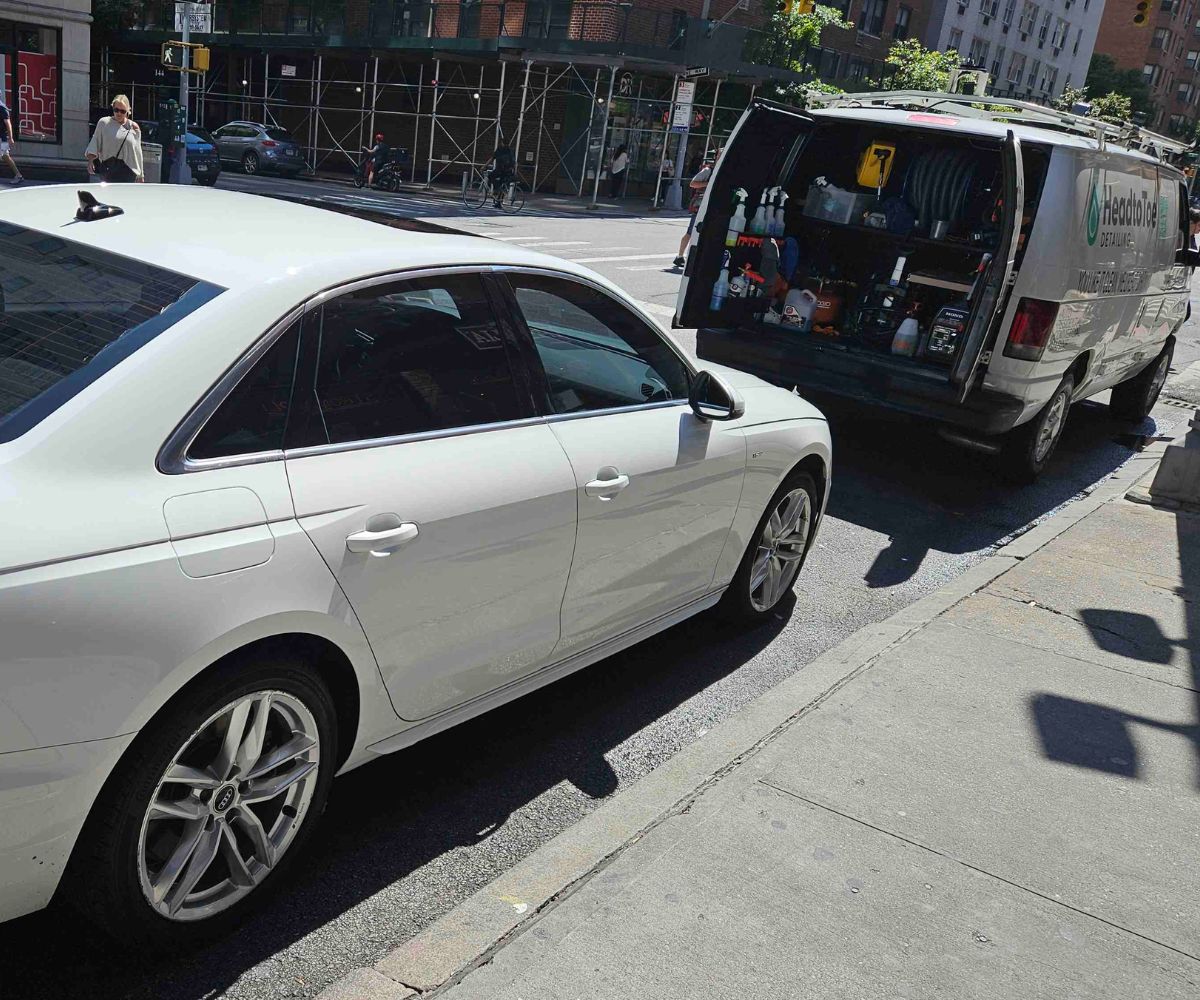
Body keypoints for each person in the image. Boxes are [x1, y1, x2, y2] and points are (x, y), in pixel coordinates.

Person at [673, 147, 720, 268]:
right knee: (692, 232)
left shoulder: (722, 171)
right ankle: (680, 256)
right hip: (700, 206)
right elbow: (693, 183)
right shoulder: (708, 170)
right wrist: (709, 183)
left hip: (712, 207)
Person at [86, 95, 143, 183]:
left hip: (129, 172)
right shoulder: (104, 123)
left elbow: (138, 151)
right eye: (116, 110)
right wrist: (90, 161)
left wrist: (141, 175)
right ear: (113, 108)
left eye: (123, 111)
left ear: (128, 111)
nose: (119, 113)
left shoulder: (133, 127)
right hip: (109, 170)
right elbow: (95, 141)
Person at [0, 99, 22, 185]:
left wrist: (11, 138)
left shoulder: (2, 108)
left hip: (2, 137)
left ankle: (18, 175)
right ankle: (18, 175)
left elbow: (8, 123)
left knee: (5, 155)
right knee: (4, 156)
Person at [488, 141, 515, 208]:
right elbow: (514, 162)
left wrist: (484, 166)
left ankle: (496, 190)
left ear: (502, 143)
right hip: (508, 171)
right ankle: (499, 203)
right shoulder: (510, 151)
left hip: (500, 170)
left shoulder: (500, 150)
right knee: (503, 185)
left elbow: (492, 158)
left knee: (490, 176)